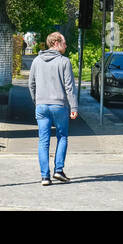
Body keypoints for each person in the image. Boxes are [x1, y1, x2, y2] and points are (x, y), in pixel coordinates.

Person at [28, 31, 78, 185]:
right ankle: (58, 170)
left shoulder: (36, 61)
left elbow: (31, 84)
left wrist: (37, 101)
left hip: (41, 106)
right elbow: (70, 87)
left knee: (43, 141)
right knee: (62, 136)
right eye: (63, 42)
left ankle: (45, 177)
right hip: (59, 105)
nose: (66, 45)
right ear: (56, 43)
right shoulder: (64, 62)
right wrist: (74, 107)